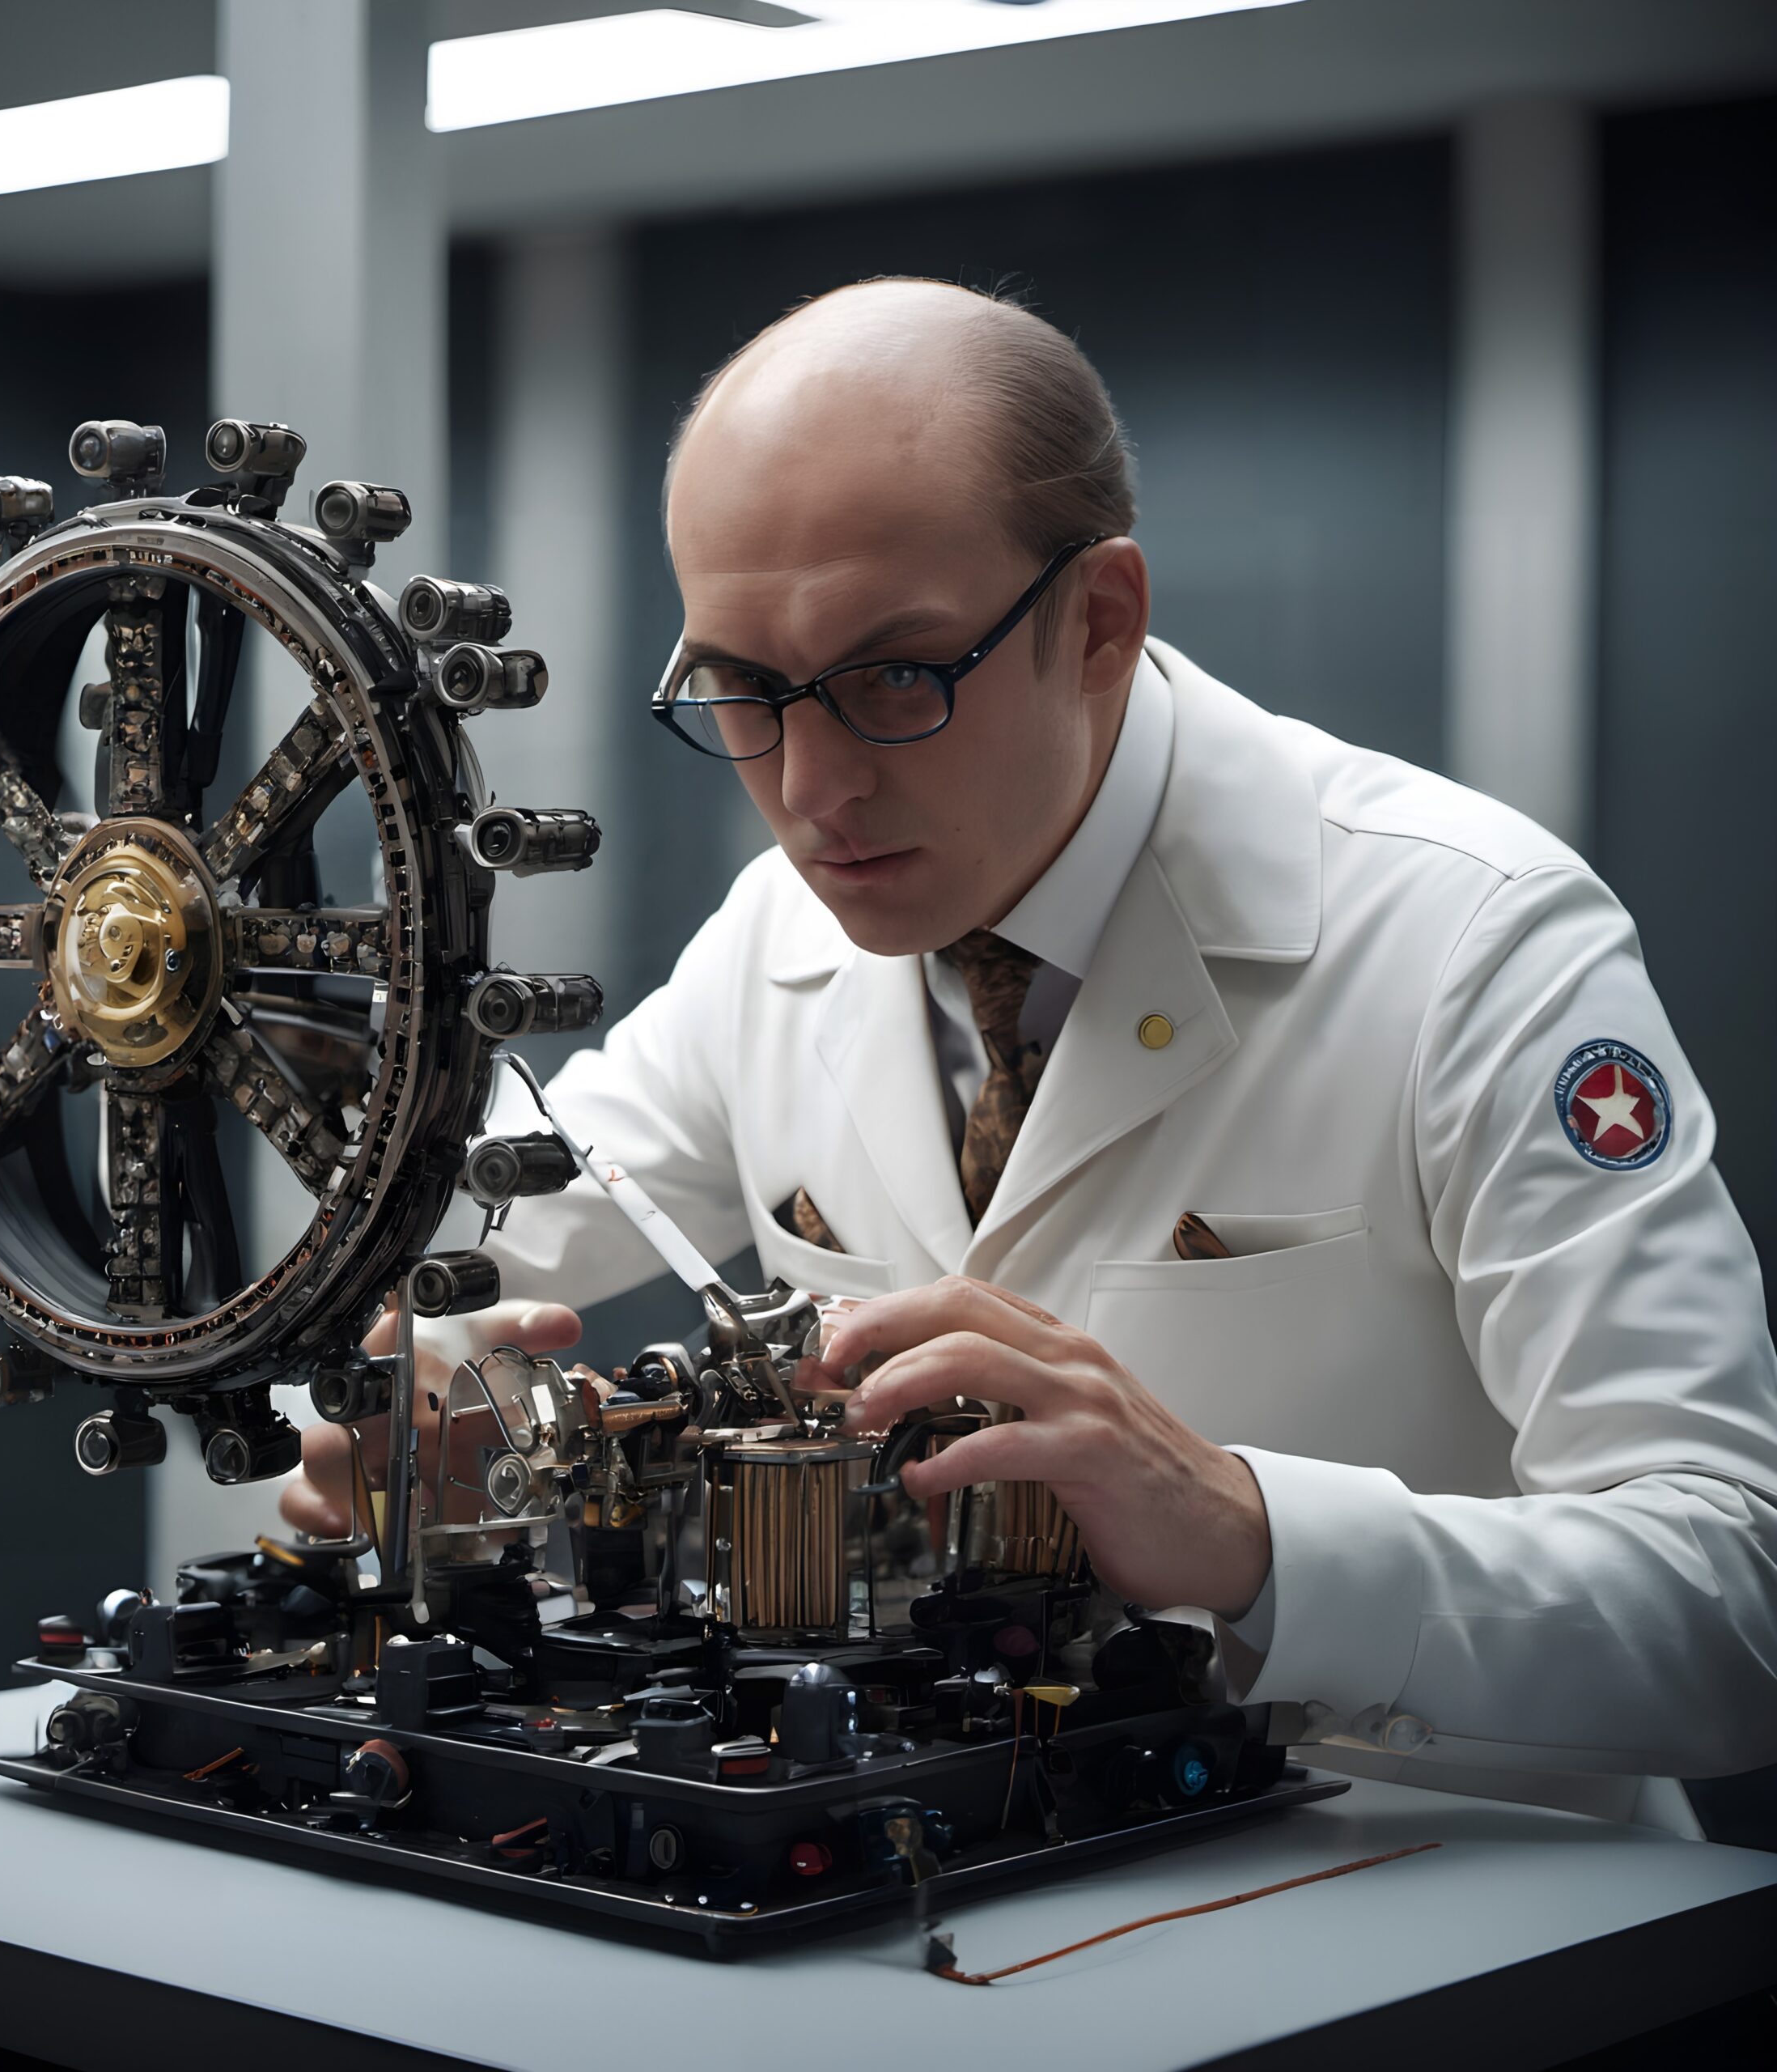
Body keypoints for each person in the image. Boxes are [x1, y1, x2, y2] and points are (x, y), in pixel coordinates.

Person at [284, 277, 1777, 1827]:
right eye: (738, 686)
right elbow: (485, 1242)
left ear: (1101, 622)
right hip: (965, 1911)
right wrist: (410, 1390)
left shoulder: (1478, 941)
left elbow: (1738, 1601)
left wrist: (1250, 1533)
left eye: (893, 677)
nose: (813, 793)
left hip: (1452, 1925)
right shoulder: (775, 940)